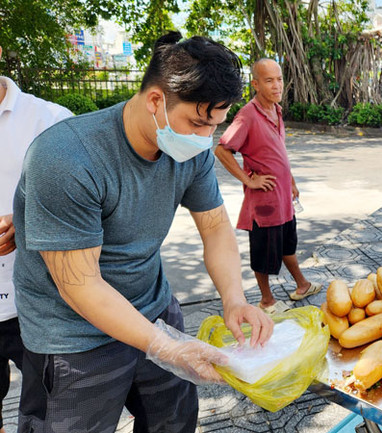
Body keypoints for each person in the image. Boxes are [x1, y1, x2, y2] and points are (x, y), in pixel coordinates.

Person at [12, 32, 274, 432]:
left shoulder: (194, 149)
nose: (206, 139)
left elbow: (216, 226)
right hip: (73, 335)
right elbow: (79, 285)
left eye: (215, 126)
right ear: (155, 101)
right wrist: (165, 347)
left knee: (173, 423)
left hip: (153, 307)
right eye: (199, 122)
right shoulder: (66, 158)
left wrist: (235, 299)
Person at [0, 46, 72, 433]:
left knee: (45, 415)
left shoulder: (49, 120)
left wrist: (24, 222)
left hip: (37, 303)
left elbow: (85, 200)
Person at [215, 59, 321, 315]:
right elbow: (222, 149)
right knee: (264, 253)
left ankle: (302, 285)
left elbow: (278, 152)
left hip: (283, 198)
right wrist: (249, 180)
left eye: (279, 79)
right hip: (263, 203)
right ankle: (267, 301)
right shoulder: (248, 115)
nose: (277, 85)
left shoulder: (277, 110)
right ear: (255, 84)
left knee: (287, 245)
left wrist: (291, 181)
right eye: (269, 80)